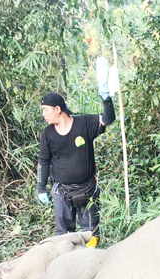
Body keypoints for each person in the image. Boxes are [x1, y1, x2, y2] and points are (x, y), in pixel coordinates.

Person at [37, 78, 115, 246]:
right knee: (64, 238)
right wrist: (41, 188)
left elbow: (108, 119)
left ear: (57, 109)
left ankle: (91, 265)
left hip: (87, 189)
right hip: (61, 192)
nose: (43, 114)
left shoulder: (84, 123)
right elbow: (43, 161)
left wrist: (106, 100)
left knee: (91, 235)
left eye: (45, 110)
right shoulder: (47, 134)